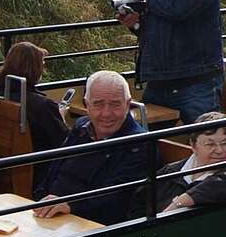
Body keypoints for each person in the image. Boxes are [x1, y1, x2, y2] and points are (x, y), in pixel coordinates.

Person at [121, 0, 225, 124]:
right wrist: (135, 23)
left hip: (196, 79)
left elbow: (177, 8)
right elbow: (160, 24)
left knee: (208, 138)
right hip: (162, 78)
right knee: (147, 140)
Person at [35, 71, 154, 225]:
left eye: (115, 104)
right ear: (87, 105)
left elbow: (116, 201)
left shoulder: (140, 145)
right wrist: (41, 198)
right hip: (50, 216)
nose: (106, 113)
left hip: (90, 227)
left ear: (128, 104)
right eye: (98, 104)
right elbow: (55, 169)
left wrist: (70, 205)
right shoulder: (80, 128)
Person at [129, 111, 226, 218]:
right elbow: (139, 205)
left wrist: (178, 204)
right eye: (210, 144)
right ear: (193, 145)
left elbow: (225, 182)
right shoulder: (170, 172)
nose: (219, 150)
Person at [0, 42, 70, 193]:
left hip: (1, 173)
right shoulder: (41, 106)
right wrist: (62, 117)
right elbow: (66, 143)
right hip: (35, 175)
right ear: (35, 69)